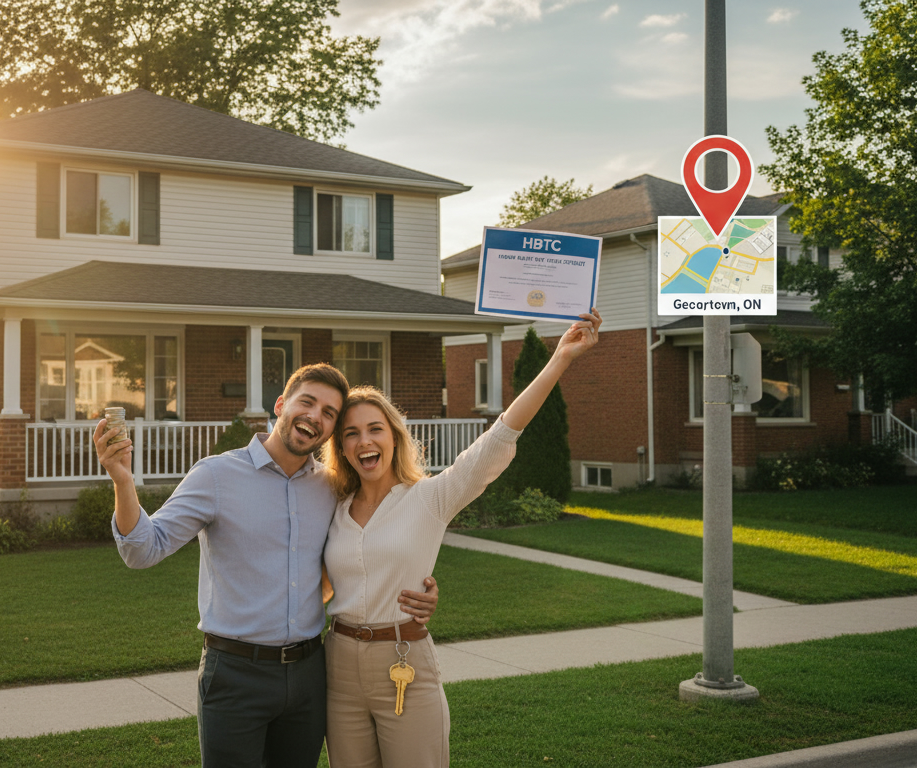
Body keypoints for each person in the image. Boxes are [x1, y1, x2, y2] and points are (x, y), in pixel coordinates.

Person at [93, 363, 440, 768]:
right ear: (280, 405)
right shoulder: (216, 475)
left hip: (310, 676)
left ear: (330, 431)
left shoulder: (330, 488)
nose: (315, 417)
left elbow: (361, 551)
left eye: (329, 413)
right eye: (307, 402)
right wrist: (122, 480)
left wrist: (419, 589)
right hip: (235, 675)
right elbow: (142, 551)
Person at [319, 309, 602, 768]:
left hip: (402, 660)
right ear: (342, 448)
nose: (363, 441)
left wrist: (560, 359)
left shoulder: (431, 497)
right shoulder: (331, 508)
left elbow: (499, 438)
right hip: (337, 667)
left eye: (375, 429)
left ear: (394, 437)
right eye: (351, 434)